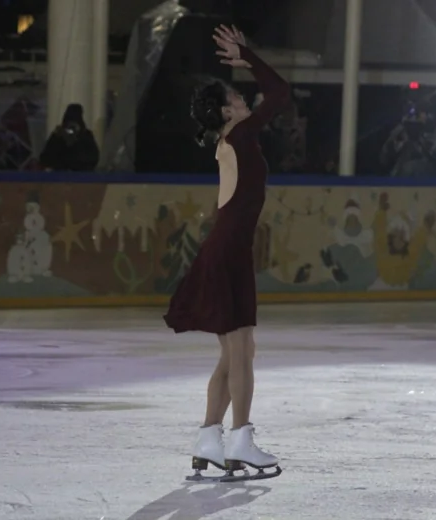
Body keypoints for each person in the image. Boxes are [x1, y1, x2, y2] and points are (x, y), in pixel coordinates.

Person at [163, 25, 289, 476]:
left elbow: (274, 94)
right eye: (236, 96)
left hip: (227, 250)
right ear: (225, 111)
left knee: (237, 352)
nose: (244, 99)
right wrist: (248, 56)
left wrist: (247, 57)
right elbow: (280, 93)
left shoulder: (233, 139)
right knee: (240, 353)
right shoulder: (238, 136)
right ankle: (240, 441)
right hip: (228, 253)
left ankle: (209, 438)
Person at [38, 103, 100, 171]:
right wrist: (59, 139)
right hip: (60, 174)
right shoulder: (58, 135)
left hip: (80, 174)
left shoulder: (86, 135)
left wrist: (78, 141)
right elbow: (45, 158)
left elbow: (92, 158)